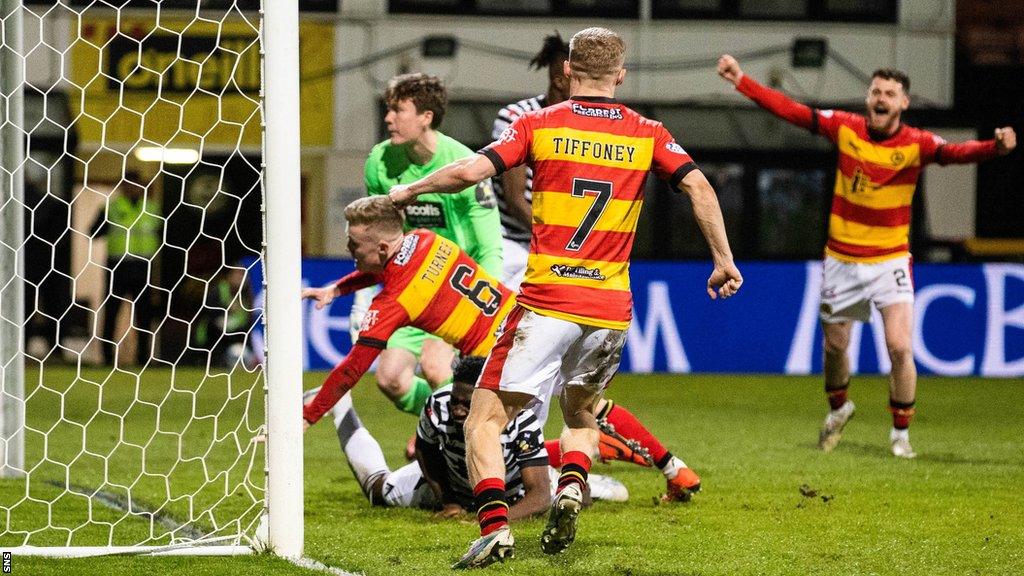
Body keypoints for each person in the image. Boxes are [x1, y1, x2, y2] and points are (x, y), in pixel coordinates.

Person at [389, 27, 742, 568]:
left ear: (568, 71)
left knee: (482, 420)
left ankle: (493, 529)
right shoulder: (648, 133)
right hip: (610, 307)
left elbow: (468, 172)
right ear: (620, 76)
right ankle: (573, 486)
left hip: (547, 301)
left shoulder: (539, 124)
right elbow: (698, 186)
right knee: (581, 413)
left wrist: (409, 189)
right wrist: (723, 259)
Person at [717, 54, 1017, 459]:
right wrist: (743, 81)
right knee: (836, 347)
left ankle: (900, 435)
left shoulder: (917, 144)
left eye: (890, 93)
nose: (880, 98)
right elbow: (793, 111)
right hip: (841, 259)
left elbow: (959, 153)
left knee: (898, 346)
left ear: (903, 104)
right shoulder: (846, 128)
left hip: (890, 260)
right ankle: (840, 408)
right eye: (876, 91)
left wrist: (994, 148)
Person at [355, 72, 503, 417]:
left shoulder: (464, 165)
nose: (388, 117)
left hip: (458, 285)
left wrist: (486, 301)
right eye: (388, 109)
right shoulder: (379, 162)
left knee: (438, 369)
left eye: (399, 110)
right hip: (411, 285)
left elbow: (489, 243)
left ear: (426, 118)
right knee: (391, 379)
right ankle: (437, 423)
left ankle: (462, 441)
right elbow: (380, 235)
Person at [319, 356, 628, 520]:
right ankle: (341, 408)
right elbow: (426, 452)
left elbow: (536, 496)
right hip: (455, 480)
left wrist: (492, 517)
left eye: (466, 403)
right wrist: (449, 501)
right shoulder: (438, 405)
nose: (455, 408)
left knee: (577, 500)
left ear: (486, 399)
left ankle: (585, 482)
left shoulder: (521, 420)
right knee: (378, 492)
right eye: (455, 398)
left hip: (512, 487)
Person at [301, 196, 514, 430]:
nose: (348, 248)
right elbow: (387, 269)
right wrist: (337, 289)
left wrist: (309, 415)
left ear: (382, 247)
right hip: (523, 319)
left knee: (487, 448)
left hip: (498, 359)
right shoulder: (425, 238)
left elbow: (352, 368)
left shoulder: (393, 302)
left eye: (354, 243)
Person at [491, 33, 570, 290]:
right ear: (560, 80)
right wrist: (558, 243)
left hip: (548, 246)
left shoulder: (583, 126)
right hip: (508, 244)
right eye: (583, 80)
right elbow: (515, 201)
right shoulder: (517, 116)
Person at [89, 171, 163, 367]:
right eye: (128, 184)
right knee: (111, 312)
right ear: (122, 186)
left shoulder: (153, 209)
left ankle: (144, 357)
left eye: (137, 184)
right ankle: (106, 358)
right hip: (117, 267)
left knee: (144, 315)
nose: (133, 188)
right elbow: (93, 232)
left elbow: (164, 236)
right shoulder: (111, 208)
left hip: (143, 267)